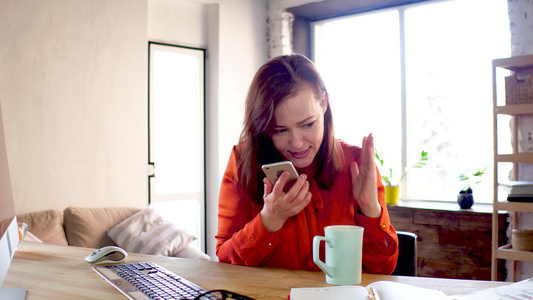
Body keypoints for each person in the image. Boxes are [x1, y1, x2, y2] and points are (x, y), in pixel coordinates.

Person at [216, 54, 399, 275]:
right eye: (280, 130)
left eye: (307, 124)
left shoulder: (358, 164)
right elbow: (225, 262)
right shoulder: (243, 161)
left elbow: (383, 268)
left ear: (323, 103)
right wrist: (268, 221)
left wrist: (370, 209)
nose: (297, 143)